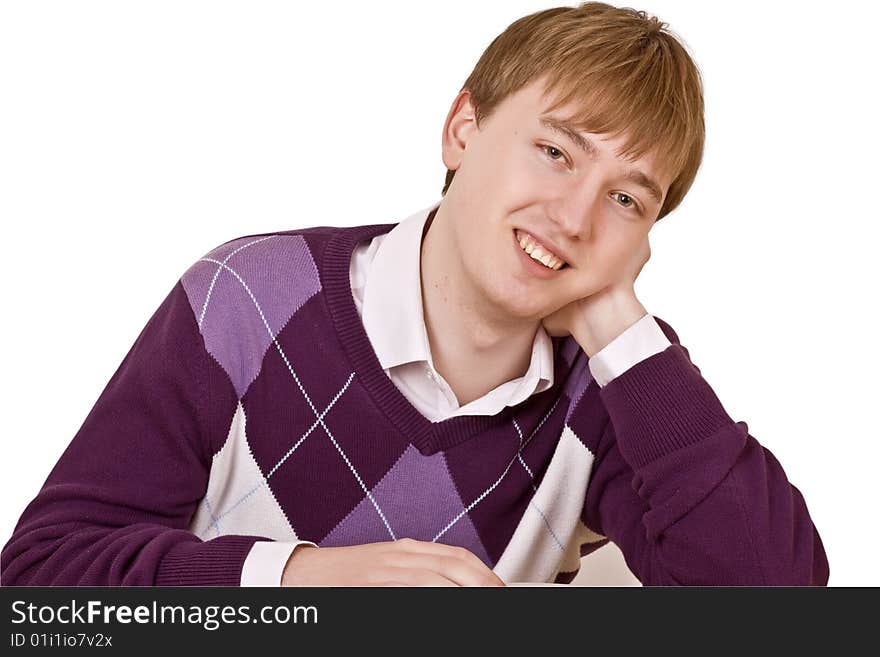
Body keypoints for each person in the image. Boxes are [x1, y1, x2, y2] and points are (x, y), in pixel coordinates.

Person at [1, 2, 829, 587]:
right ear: (462, 129)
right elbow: (38, 585)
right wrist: (302, 581)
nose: (575, 216)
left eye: (627, 199)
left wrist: (619, 319)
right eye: (554, 150)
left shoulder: (616, 394)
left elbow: (776, 606)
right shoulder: (246, 301)